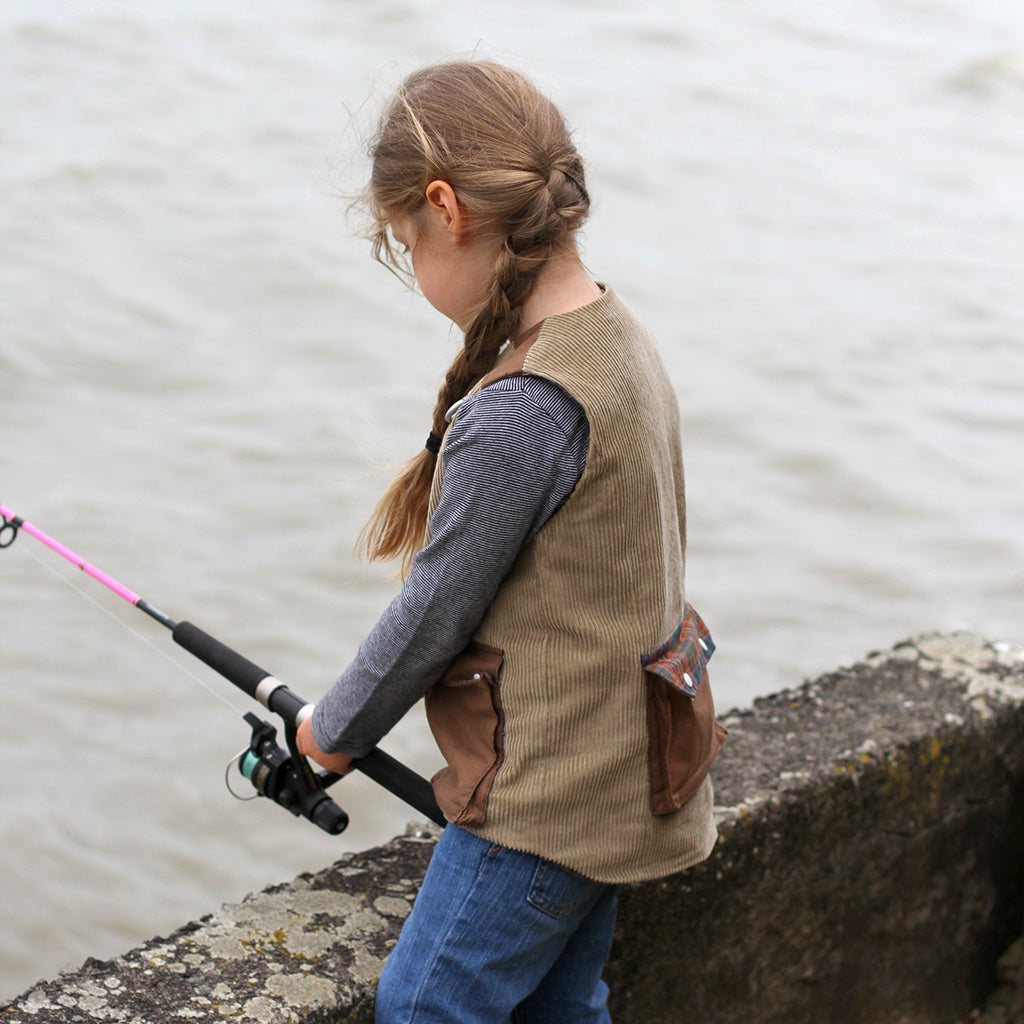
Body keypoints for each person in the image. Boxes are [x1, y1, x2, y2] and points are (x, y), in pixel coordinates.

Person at [296, 58, 726, 1024]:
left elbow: (434, 610)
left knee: (422, 1008)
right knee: (563, 1010)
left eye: (405, 244)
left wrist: (329, 735)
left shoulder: (521, 410)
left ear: (446, 208)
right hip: (631, 776)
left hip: (547, 807)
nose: (416, 276)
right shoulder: (619, 335)